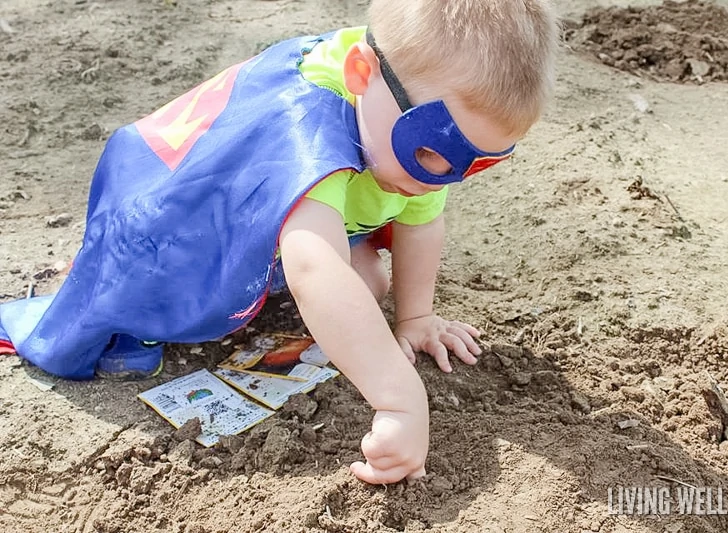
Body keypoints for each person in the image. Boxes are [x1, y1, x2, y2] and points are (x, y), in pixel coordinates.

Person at [0, 0, 558, 484]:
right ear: (361, 73)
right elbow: (315, 266)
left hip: (281, 211)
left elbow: (420, 216)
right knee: (161, 304)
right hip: (173, 219)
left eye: (479, 163)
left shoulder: (400, 99)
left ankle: (264, 276)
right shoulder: (305, 129)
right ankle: (145, 320)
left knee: (367, 282)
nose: (446, 175)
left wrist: (415, 318)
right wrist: (398, 399)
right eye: (431, 151)